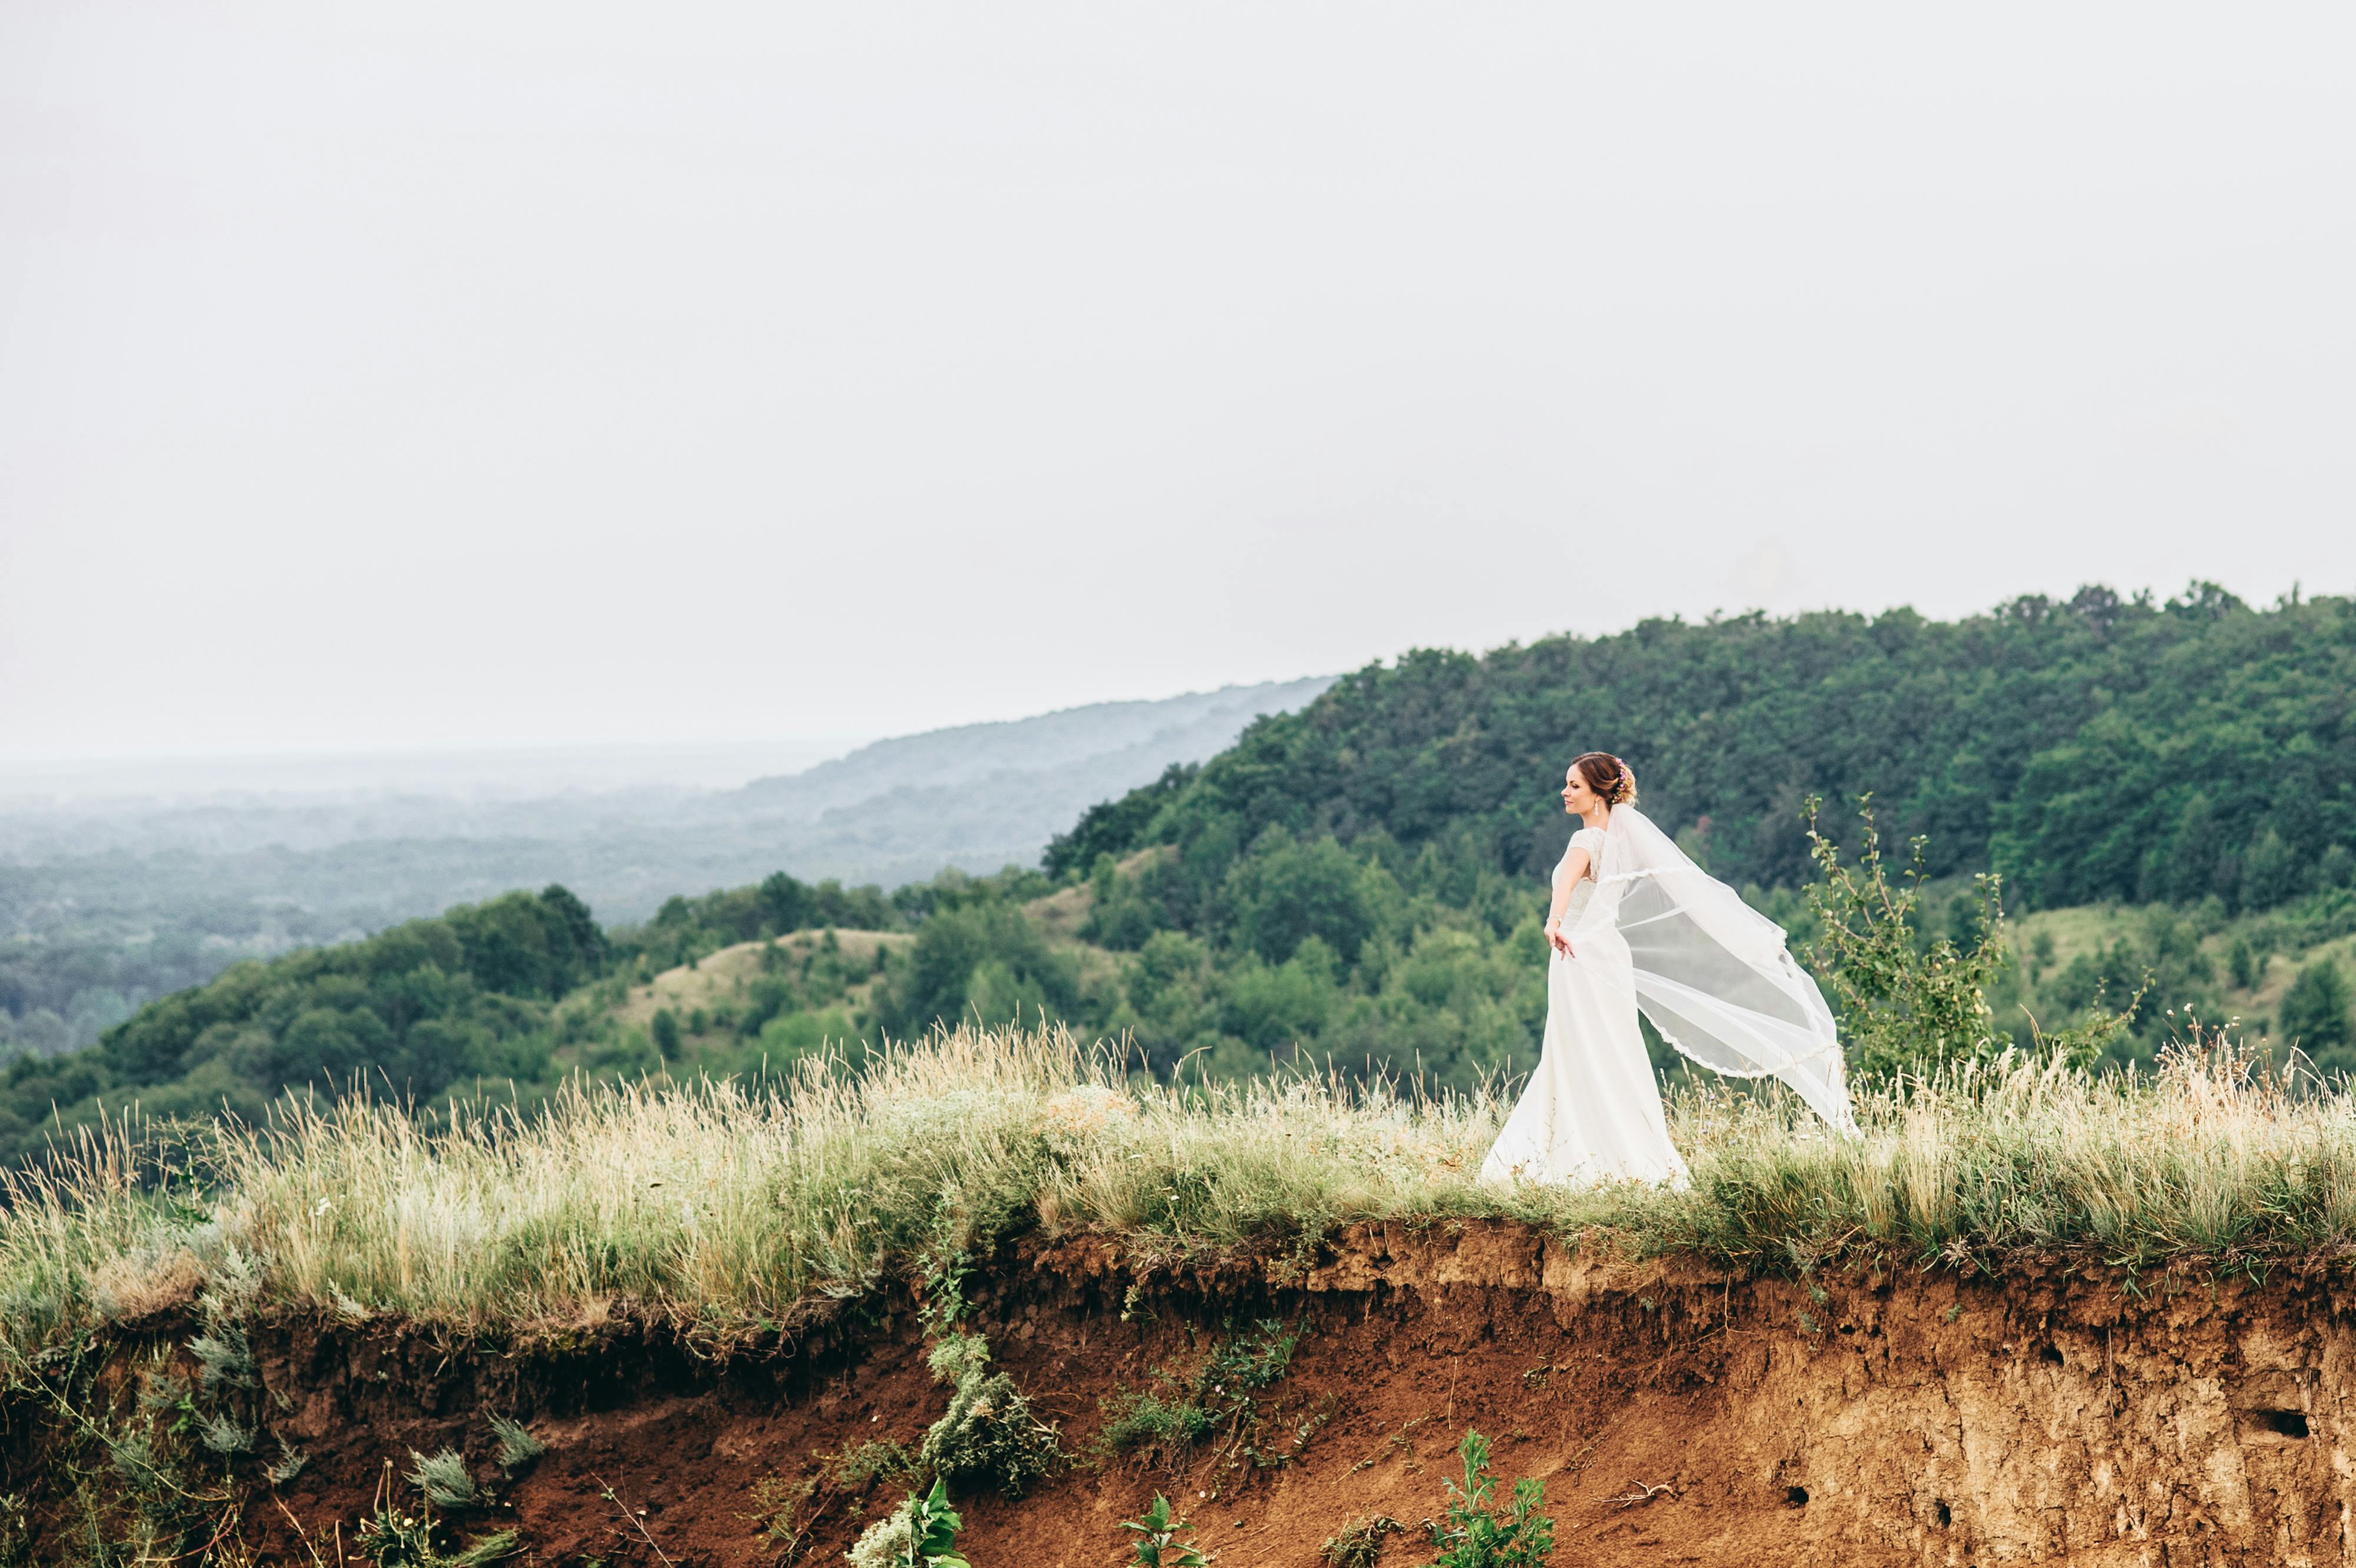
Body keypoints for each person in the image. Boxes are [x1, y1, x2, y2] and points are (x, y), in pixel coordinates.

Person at [1479, 752, 1852, 1189]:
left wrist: (1554, 921)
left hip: (1579, 952)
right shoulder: (1617, 844)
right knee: (1610, 1050)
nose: (1565, 792)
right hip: (1607, 955)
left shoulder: (1584, 843)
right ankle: (1622, 1155)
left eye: (1575, 786)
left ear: (1599, 794)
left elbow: (1564, 884)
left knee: (1576, 1048)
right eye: (1567, 784)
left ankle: (1574, 1157)